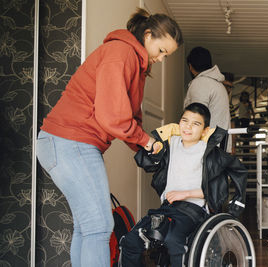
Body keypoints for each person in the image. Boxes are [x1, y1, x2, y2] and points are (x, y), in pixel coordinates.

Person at [35, 8, 183, 267]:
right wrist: (146, 141)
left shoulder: (135, 64)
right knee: (100, 227)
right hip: (71, 142)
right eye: (161, 51)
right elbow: (112, 117)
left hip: (66, 143)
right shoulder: (121, 53)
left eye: (166, 55)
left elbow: (129, 118)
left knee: (87, 227)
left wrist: (146, 146)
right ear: (148, 35)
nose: (161, 59)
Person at [119, 102, 247, 266]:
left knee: (173, 239)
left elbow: (222, 183)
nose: (188, 127)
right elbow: (146, 162)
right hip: (167, 208)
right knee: (131, 241)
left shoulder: (209, 153)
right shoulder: (170, 144)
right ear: (179, 123)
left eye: (196, 124)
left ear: (205, 130)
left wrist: (186, 194)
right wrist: (154, 150)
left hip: (193, 210)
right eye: (185, 121)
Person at [184, 47, 231, 132]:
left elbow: (196, 117)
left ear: (190, 66)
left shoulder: (200, 83)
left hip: (206, 142)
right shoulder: (219, 85)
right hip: (218, 142)